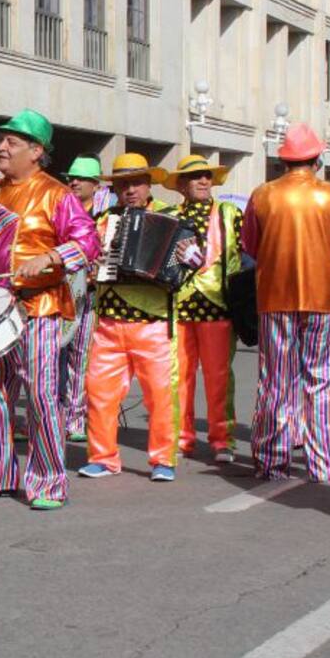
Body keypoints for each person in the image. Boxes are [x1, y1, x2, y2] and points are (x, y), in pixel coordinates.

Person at [0, 110, 99, 510]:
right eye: (1, 139)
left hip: (37, 307)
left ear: (36, 151)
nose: (2, 147)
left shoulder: (56, 194)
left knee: (41, 395)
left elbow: (88, 241)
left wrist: (49, 258)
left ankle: (47, 482)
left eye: (12, 141)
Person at [242, 123, 330, 482]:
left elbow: (249, 244)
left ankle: (271, 461)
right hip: (322, 296)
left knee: (276, 381)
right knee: (323, 378)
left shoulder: (262, 194)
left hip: (273, 297)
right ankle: (325, 464)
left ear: (284, 161)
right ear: (318, 159)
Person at [78, 153, 180, 482]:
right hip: (109, 320)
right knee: (99, 392)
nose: (130, 190)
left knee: (160, 395)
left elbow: (191, 260)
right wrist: (94, 267)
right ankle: (103, 457)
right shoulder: (105, 219)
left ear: (148, 184)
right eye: (123, 184)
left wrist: (182, 261)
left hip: (152, 321)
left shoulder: (171, 217)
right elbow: (90, 262)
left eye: (136, 182)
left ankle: (163, 459)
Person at [168, 153, 242, 463]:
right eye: (195, 176)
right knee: (178, 378)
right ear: (182, 185)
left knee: (219, 377)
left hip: (218, 307)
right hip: (179, 308)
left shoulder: (229, 213)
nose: (202, 181)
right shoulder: (169, 216)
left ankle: (222, 440)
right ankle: (180, 439)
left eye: (207, 176)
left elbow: (248, 251)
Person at [59, 156, 113, 443]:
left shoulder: (107, 216)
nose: (74, 182)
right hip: (59, 293)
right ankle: (50, 414)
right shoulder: (61, 210)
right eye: (71, 177)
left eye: (81, 179)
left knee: (81, 358)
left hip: (89, 295)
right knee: (52, 357)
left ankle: (76, 418)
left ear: (96, 184)